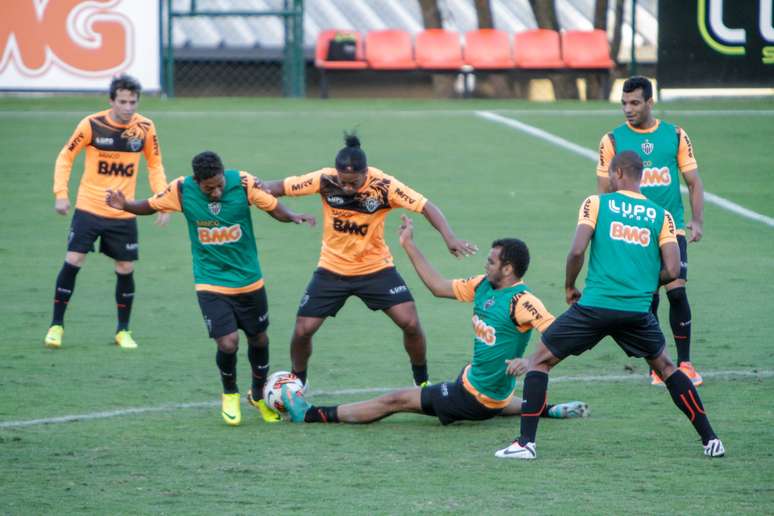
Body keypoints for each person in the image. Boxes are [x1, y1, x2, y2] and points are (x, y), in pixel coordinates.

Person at [496, 151, 724, 460]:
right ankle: (711, 439)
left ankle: (526, 444)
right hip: (636, 311)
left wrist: (569, 286)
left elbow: (577, 251)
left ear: (617, 173)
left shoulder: (596, 203)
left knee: (538, 361)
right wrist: (643, 284)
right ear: (640, 176)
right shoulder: (663, 216)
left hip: (594, 306)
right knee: (667, 368)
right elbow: (672, 270)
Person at [279, 214, 589, 427]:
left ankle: (310, 415)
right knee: (493, 396)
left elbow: (558, 333)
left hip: (473, 398)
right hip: (480, 385)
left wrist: (529, 360)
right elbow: (438, 287)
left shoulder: (523, 302)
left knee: (396, 400)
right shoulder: (483, 285)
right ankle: (550, 410)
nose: (486, 263)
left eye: (491, 261)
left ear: (508, 269)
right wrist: (408, 245)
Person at [106, 151, 316, 426]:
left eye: (219, 186)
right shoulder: (181, 190)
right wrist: (126, 205)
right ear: (197, 181)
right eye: (209, 189)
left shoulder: (242, 182)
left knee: (259, 339)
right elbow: (150, 205)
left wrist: (293, 216)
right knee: (228, 342)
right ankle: (230, 393)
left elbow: (273, 206)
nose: (216, 192)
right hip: (211, 281)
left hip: (249, 279)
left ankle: (257, 395)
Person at [259, 134, 477, 388]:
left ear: (366, 173)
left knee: (410, 323)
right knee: (302, 330)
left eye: (354, 183)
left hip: (376, 268)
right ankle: (298, 381)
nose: (347, 188)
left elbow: (426, 206)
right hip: (332, 269)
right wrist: (250, 185)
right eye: (343, 182)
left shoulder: (385, 186)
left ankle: (422, 383)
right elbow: (277, 187)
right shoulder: (325, 179)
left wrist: (449, 238)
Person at [44, 74, 170, 350]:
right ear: (111, 100)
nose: (128, 107)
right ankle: (56, 326)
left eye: (133, 102)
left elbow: (155, 164)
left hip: (123, 212)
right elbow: (66, 157)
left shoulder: (145, 128)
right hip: (89, 208)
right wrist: (61, 193)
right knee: (74, 259)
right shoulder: (91, 124)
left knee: (125, 267)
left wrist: (162, 199)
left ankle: (123, 331)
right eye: (122, 102)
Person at [596, 76, 705, 386]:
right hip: (636, 232)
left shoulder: (675, 135)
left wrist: (697, 221)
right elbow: (604, 192)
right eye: (624, 103)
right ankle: (658, 366)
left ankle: (686, 364)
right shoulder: (612, 140)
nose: (628, 109)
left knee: (677, 290)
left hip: (670, 227)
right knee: (649, 298)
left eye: (634, 103)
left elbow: (694, 182)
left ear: (650, 102)